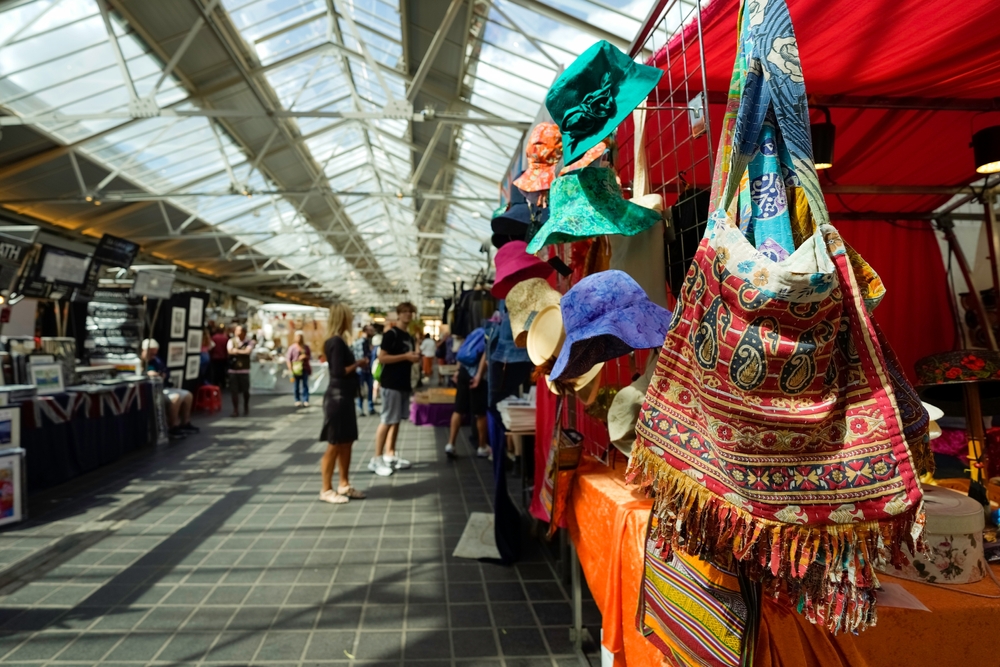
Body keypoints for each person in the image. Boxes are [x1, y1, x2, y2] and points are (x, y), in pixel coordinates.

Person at [318, 304, 368, 504]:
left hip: (342, 397)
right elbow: (338, 371)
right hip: (338, 398)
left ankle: (343, 484)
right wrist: (358, 364)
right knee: (335, 444)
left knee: (346, 441)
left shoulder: (337, 340)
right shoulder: (336, 342)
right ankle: (326, 488)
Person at [368, 302, 418, 477]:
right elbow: (382, 358)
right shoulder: (391, 334)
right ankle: (376, 458)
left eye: (410, 312)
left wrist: (412, 358)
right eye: (404, 312)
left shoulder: (409, 337)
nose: (407, 315)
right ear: (398, 314)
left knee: (396, 420)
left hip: (403, 383)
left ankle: (390, 454)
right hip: (391, 383)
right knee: (387, 419)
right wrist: (405, 356)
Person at [141, 338, 198, 440]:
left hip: (163, 387)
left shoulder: (157, 360)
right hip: (151, 391)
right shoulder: (140, 362)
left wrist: (163, 375)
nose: (154, 355)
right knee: (175, 398)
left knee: (188, 395)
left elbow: (166, 371)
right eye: (151, 353)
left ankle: (185, 423)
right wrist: (146, 374)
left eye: (155, 353)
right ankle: (173, 426)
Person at [446, 339, 489, 459]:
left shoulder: (475, 333)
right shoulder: (491, 331)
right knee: (480, 413)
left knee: (458, 409)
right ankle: (482, 446)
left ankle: (450, 444)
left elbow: (462, 352)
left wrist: (457, 371)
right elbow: (486, 355)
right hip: (476, 376)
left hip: (463, 372)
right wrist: (479, 375)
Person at [227, 325, 255, 417]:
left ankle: (246, 406)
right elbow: (229, 351)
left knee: (245, 390)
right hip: (233, 369)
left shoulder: (249, 342)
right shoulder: (231, 341)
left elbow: (247, 352)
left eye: (239, 331)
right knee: (234, 391)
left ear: (244, 332)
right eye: (236, 331)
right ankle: (235, 409)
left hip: (244, 370)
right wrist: (239, 351)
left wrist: (236, 351)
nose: (237, 333)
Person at [352, 326, 375, 416]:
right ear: (366, 331)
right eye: (371, 330)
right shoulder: (361, 342)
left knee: (369, 389)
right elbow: (362, 356)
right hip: (361, 369)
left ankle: (370, 408)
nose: (373, 331)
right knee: (361, 389)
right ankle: (360, 408)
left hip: (367, 369)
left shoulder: (368, 342)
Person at [286, 331, 312, 408]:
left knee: (305, 385)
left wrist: (305, 357)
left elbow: (309, 356)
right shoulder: (292, 347)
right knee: (296, 385)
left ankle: (305, 400)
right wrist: (290, 368)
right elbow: (288, 359)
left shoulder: (306, 347)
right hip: (296, 369)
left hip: (304, 368)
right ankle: (297, 400)